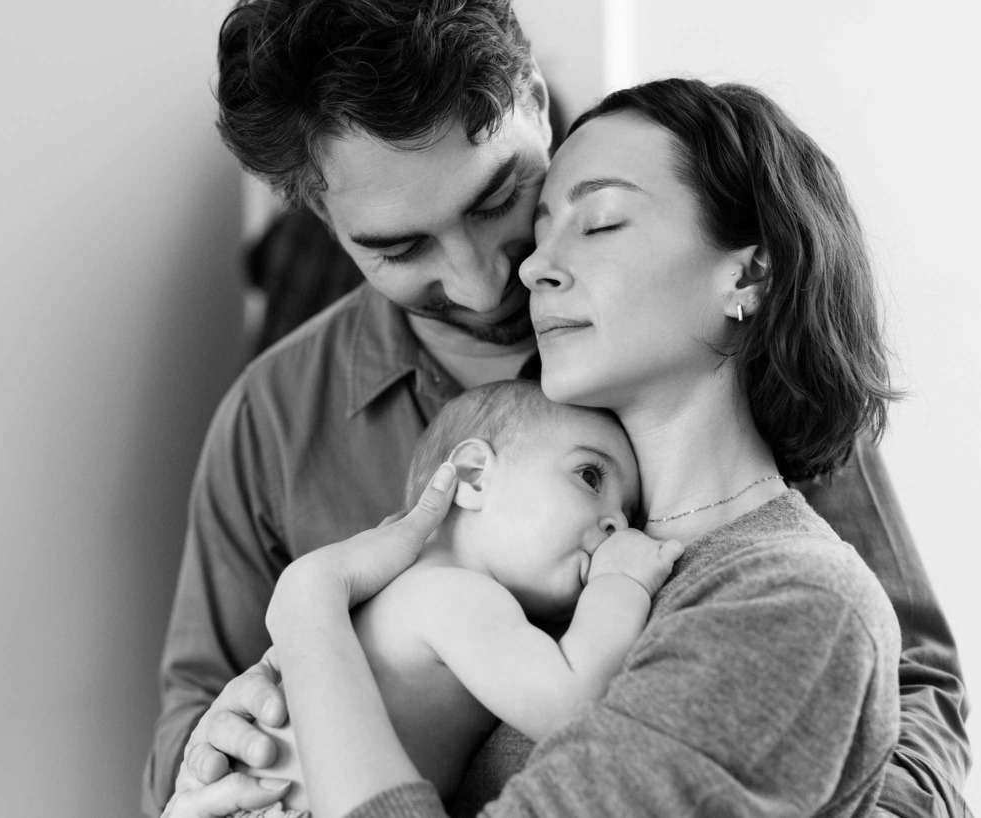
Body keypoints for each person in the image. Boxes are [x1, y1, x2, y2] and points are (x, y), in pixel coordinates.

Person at [143, 2, 970, 815]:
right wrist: (222, 757)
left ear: (533, 98)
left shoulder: (713, 355)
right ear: (324, 218)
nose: (486, 281)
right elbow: (197, 725)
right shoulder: (274, 418)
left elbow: (896, 684)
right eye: (401, 248)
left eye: (497, 201)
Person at [232, 381, 683, 814]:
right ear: (473, 475)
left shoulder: (399, 591)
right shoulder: (452, 593)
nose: (618, 525)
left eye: (628, 513)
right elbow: (572, 705)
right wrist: (620, 580)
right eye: (590, 476)